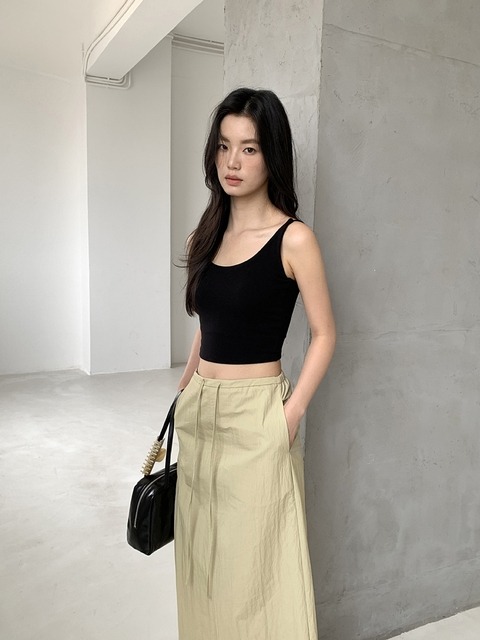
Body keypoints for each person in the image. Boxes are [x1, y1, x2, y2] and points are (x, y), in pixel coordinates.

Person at [173, 87, 336, 640]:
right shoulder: (206, 235)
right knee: (202, 557)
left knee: (260, 565)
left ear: (272, 155)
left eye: (249, 148)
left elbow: (325, 334)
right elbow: (208, 325)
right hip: (201, 411)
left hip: (258, 415)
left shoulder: (295, 239)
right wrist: (186, 388)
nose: (233, 162)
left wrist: (289, 416)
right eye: (224, 146)